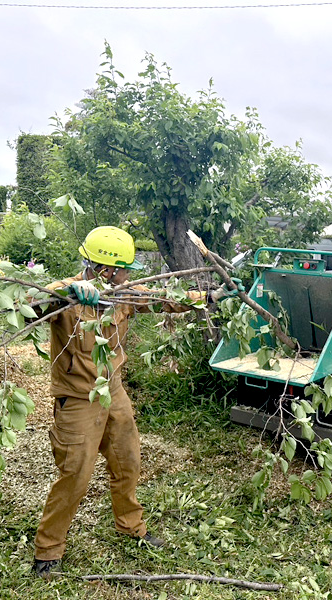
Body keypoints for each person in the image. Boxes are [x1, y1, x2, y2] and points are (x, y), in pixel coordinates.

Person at [33, 226, 203, 579]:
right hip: (78, 400)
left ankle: (130, 526)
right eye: (124, 268)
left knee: (127, 462)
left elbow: (162, 298)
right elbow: (29, 309)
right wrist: (67, 294)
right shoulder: (65, 295)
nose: (128, 275)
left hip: (115, 392)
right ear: (105, 269)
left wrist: (207, 296)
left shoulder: (123, 294)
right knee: (75, 476)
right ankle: (48, 549)